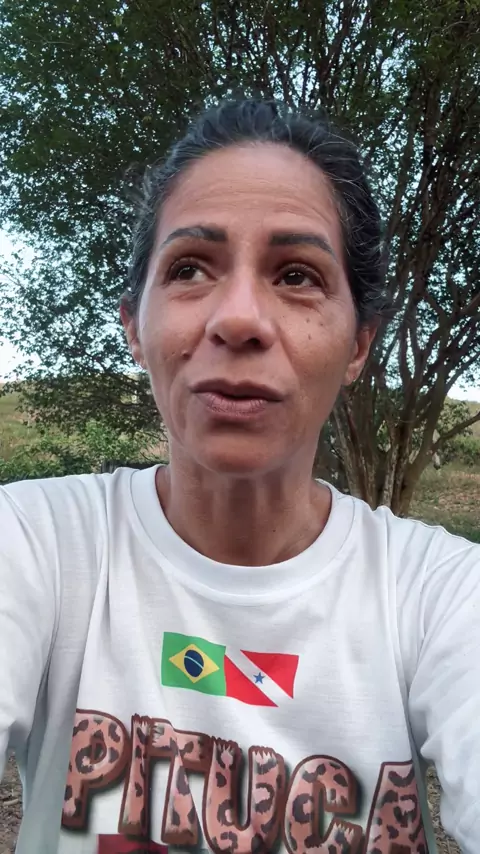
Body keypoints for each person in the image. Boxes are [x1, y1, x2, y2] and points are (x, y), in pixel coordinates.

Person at [0, 99, 478, 854]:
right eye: (189, 268)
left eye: (297, 275)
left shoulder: (443, 593)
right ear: (135, 326)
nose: (240, 319)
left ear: (358, 344)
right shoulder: (32, 546)